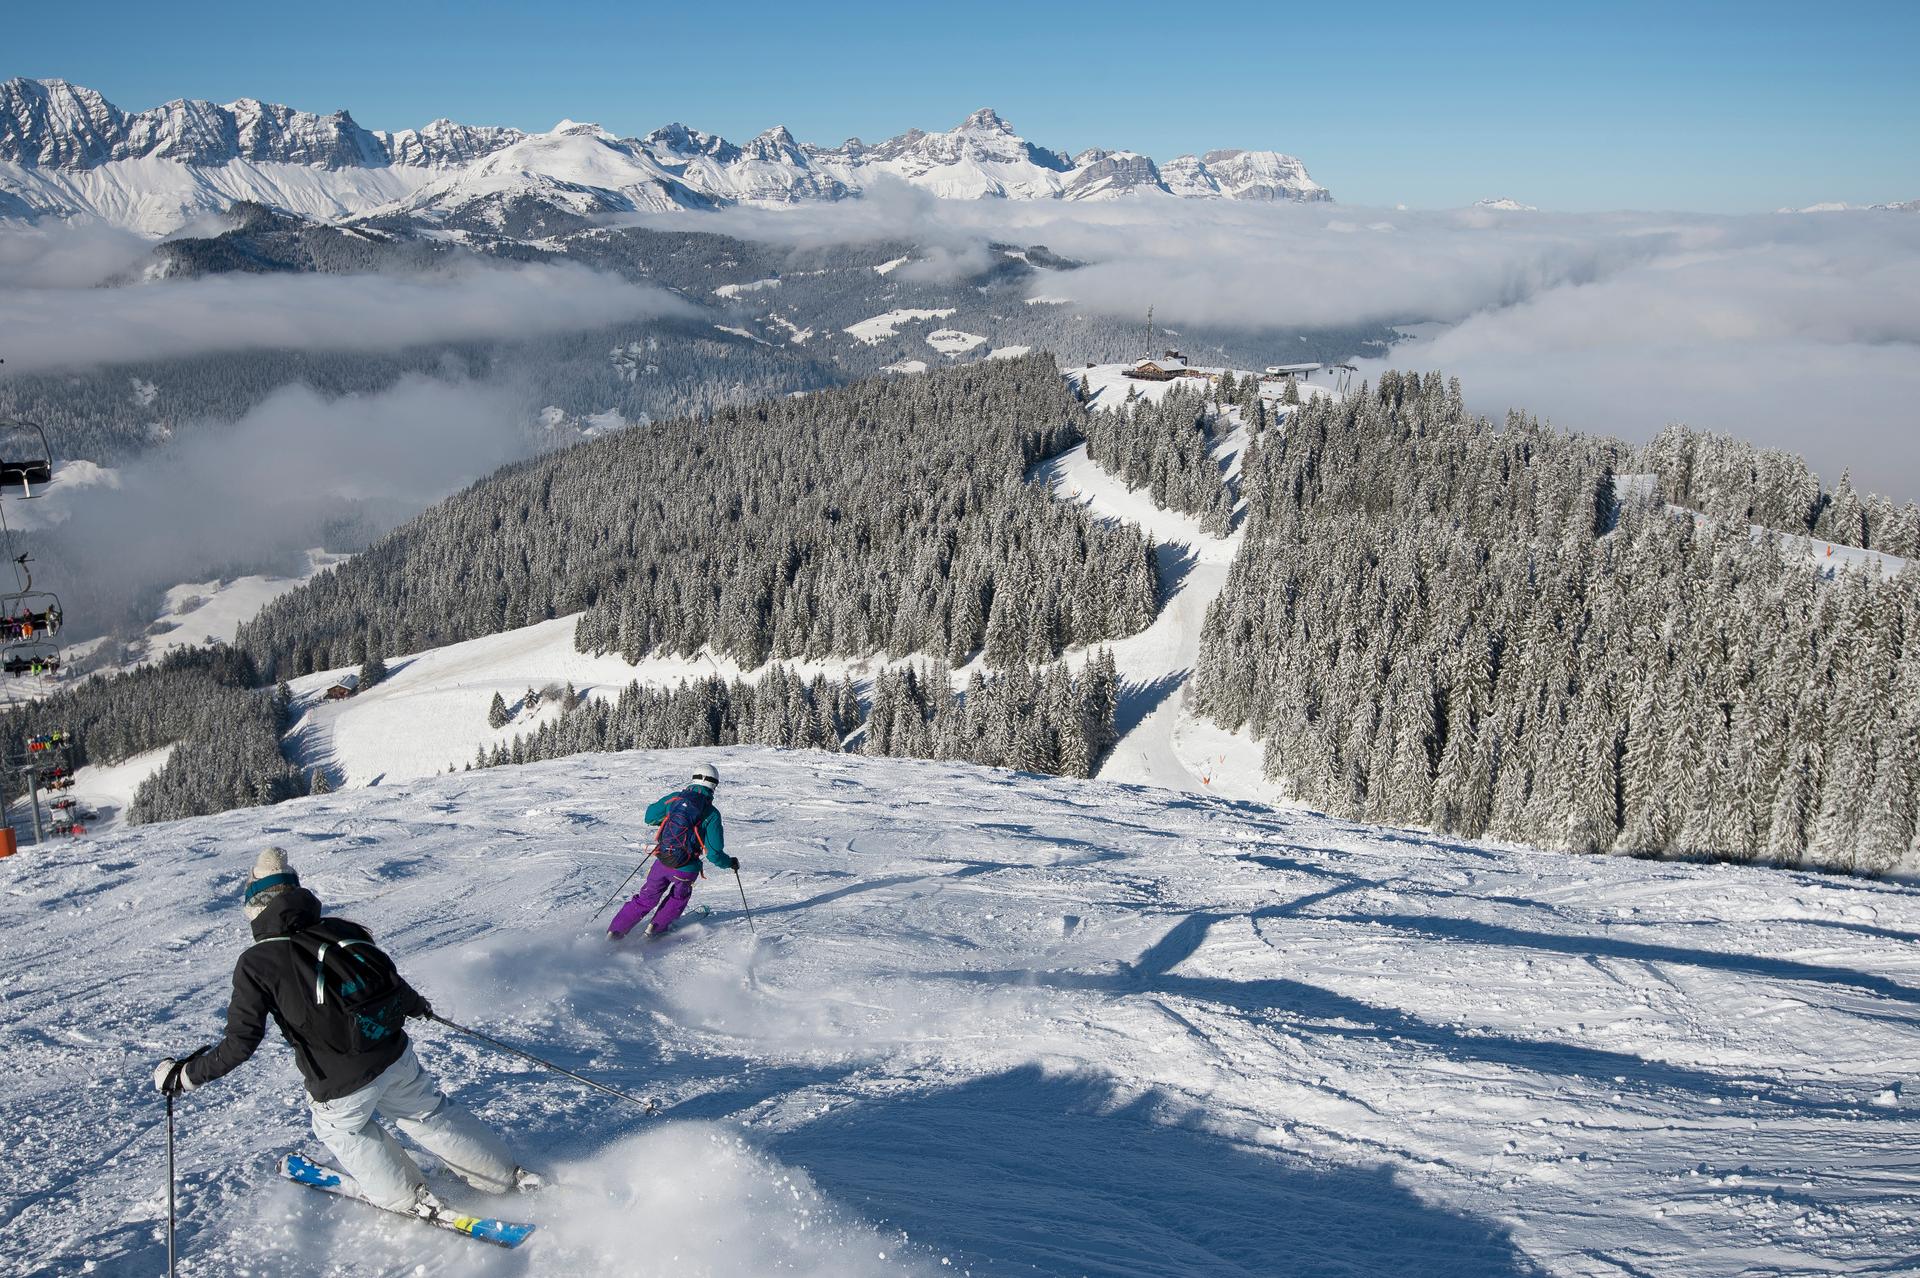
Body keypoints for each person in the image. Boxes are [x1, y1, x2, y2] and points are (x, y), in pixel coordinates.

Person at [152, 848, 538, 1218]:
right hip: (393, 1052)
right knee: (428, 1112)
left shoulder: (257, 962)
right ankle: (506, 1176)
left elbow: (240, 1043)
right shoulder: (341, 929)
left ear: (256, 908)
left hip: (341, 1080)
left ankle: (409, 1198)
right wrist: (415, 1005)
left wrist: (185, 1075)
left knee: (342, 1130)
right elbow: (385, 981)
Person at [609, 761, 739, 941]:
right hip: (686, 867)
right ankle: (654, 931)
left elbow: (650, 817)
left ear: (693, 779)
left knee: (646, 897)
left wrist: (668, 820)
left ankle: (615, 932)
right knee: (678, 898)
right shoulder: (711, 813)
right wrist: (729, 863)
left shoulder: (674, 799)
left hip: (662, 860)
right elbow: (714, 853)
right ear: (714, 785)